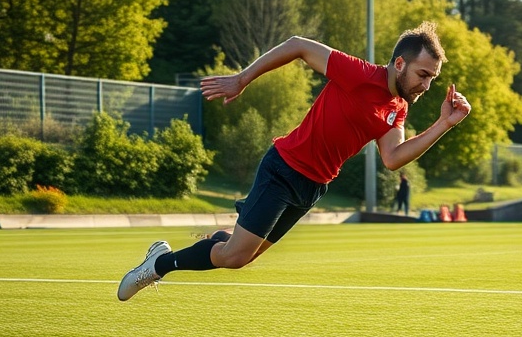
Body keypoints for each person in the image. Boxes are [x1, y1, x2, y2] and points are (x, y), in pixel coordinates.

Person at [117, 22, 471, 301]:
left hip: (312, 187)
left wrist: (443, 124)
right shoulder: (359, 74)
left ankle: (221, 240)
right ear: (400, 63)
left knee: (242, 255)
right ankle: (159, 264)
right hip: (284, 168)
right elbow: (299, 45)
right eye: (423, 75)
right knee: (236, 257)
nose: (426, 85)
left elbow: (393, 157)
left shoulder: (398, 108)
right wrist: (242, 79)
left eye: (433, 78)